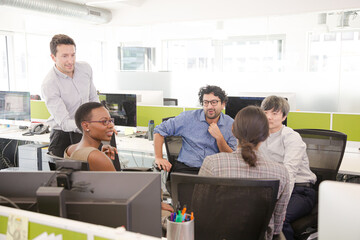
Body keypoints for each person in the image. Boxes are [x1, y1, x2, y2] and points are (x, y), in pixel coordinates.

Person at [199, 106, 290, 240]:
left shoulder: (213, 163)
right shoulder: (281, 173)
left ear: (233, 130)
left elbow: (199, 210)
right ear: (266, 135)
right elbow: (276, 228)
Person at [259, 95, 317, 240]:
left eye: (274, 113)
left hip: (300, 190)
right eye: (265, 113)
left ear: (283, 117)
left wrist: (282, 206)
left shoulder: (291, 137)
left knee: (278, 220)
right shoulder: (259, 137)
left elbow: (288, 174)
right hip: (273, 189)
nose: (269, 117)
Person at [154, 85, 237, 174]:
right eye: (205, 102)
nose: (209, 107)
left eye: (214, 102)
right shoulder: (188, 118)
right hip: (187, 169)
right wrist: (159, 157)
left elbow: (232, 158)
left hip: (215, 172)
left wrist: (220, 139)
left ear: (223, 104)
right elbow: (159, 130)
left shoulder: (231, 125)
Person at [41, 34, 99, 157]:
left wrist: (100, 121)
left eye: (73, 55)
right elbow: (65, 122)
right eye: (64, 56)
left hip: (87, 132)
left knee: (92, 174)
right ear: (53, 57)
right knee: (63, 175)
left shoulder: (85, 69)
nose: (70, 61)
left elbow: (93, 98)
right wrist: (89, 126)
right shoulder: (49, 84)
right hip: (63, 135)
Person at [64, 102, 117, 171]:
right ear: (86, 126)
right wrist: (102, 158)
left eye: (110, 120)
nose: (111, 125)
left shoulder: (70, 149)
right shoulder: (97, 157)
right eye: (104, 121)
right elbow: (118, 181)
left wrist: (102, 156)